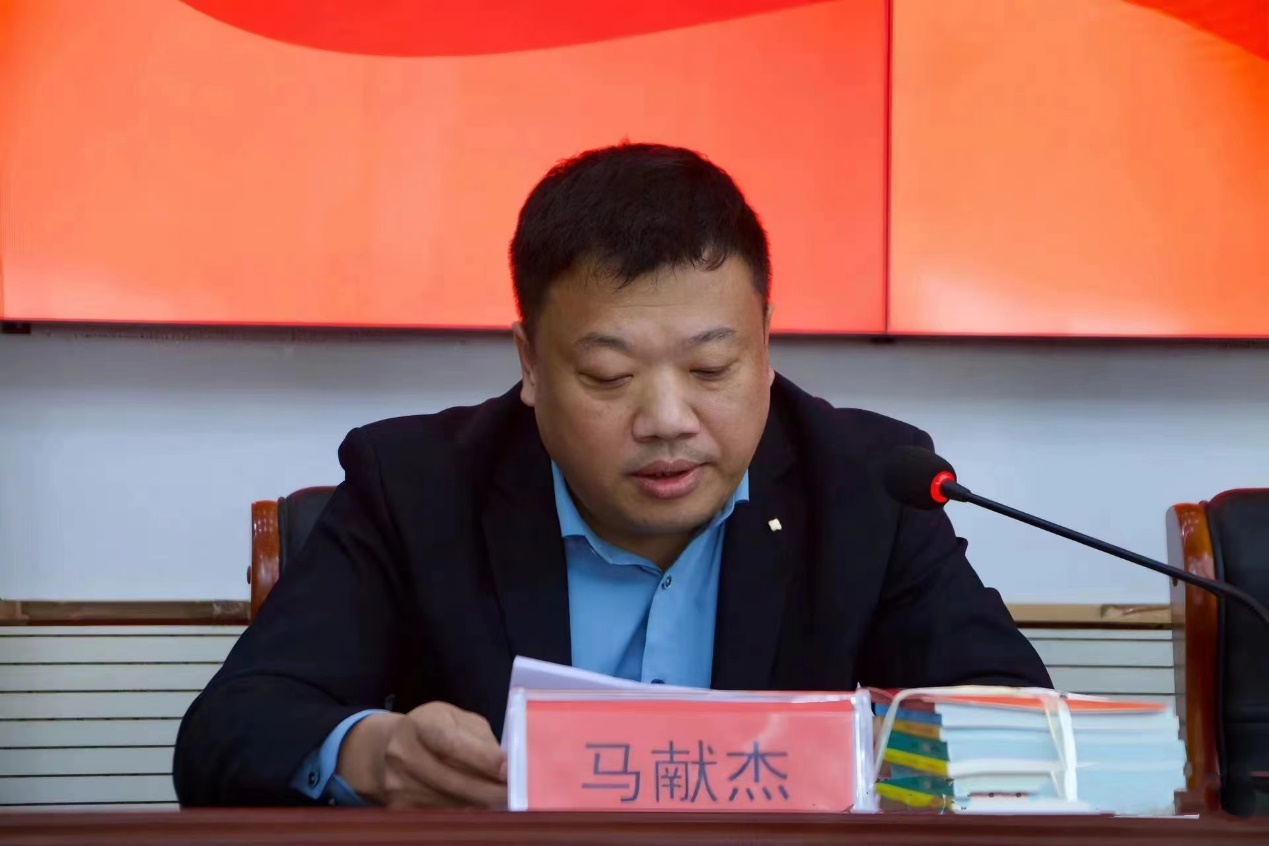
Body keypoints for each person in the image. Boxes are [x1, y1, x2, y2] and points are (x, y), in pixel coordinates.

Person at [173, 143, 1051, 808]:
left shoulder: (866, 485)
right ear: (529, 363)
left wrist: (872, 764)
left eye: (711, 369)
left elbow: (1013, 725)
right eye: (608, 375)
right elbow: (229, 732)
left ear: (764, 345)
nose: (667, 419)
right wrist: (370, 752)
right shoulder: (416, 487)